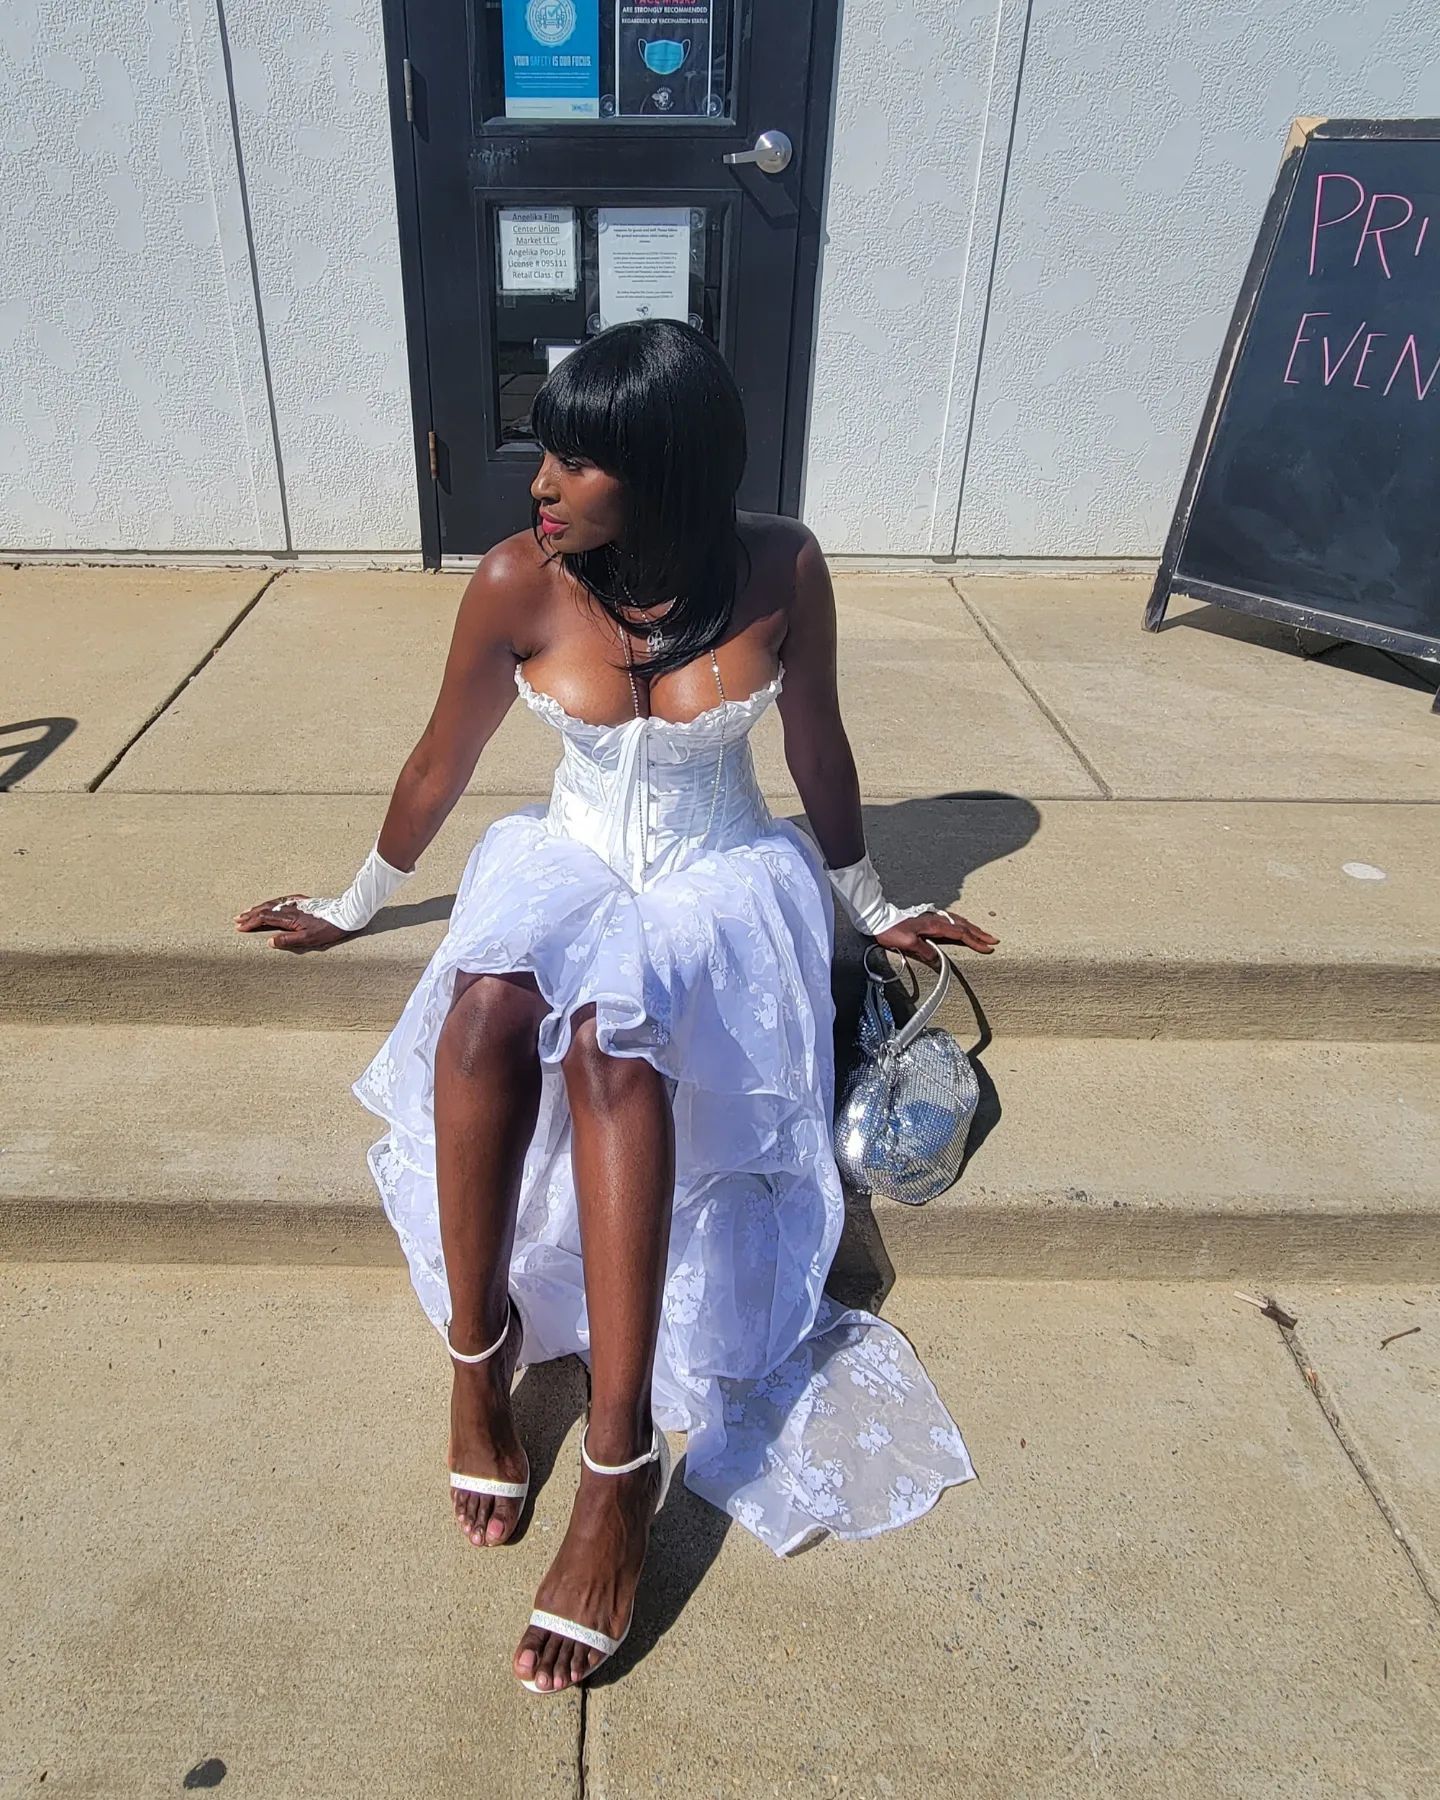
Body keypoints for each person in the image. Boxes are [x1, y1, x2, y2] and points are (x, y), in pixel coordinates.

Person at [236, 321, 998, 1695]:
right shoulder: (515, 580)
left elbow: (817, 741)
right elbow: (441, 755)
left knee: (611, 1040)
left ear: (670, 470)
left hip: (720, 880)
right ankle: (477, 1359)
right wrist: (351, 902)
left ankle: (617, 1457)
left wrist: (875, 903)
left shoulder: (782, 567)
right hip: (571, 859)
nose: (543, 483)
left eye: (580, 461)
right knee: (482, 1012)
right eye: (546, 451)